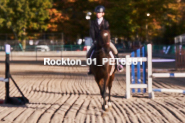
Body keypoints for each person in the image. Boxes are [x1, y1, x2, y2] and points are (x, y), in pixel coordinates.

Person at [87, 5, 123, 75]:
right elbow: (92, 32)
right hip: (96, 41)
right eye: (97, 13)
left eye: (99, 13)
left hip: (105, 40)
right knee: (89, 53)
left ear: (103, 13)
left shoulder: (106, 22)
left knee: (115, 50)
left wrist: (106, 40)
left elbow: (107, 32)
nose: (98, 14)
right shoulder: (93, 23)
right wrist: (94, 40)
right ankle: (91, 68)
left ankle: (118, 65)